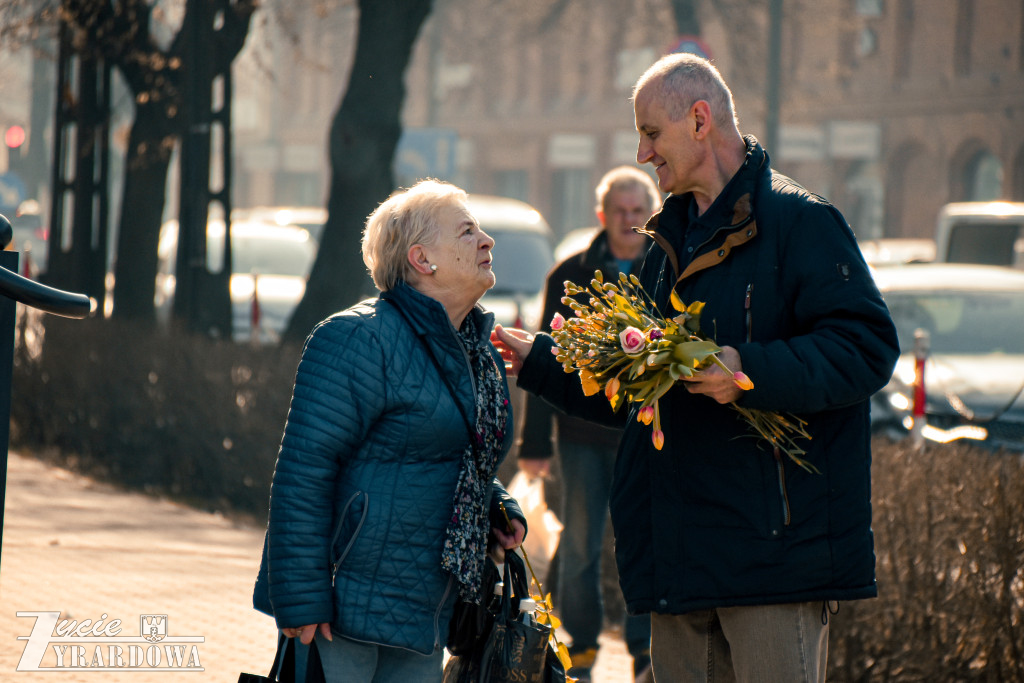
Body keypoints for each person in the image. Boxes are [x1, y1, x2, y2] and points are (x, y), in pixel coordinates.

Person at [493, 53, 899, 683]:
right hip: (680, 561)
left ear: (701, 119)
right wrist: (542, 362)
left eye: (651, 132)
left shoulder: (802, 223)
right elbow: (639, 393)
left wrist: (747, 370)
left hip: (772, 564)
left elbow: (866, 348)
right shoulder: (665, 245)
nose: (642, 152)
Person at [252, 179, 527, 682]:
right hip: (342, 609)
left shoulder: (479, 352)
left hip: (428, 607)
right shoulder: (356, 338)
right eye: (467, 232)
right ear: (423, 259)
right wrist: (300, 596)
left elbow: (458, 459)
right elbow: (303, 470)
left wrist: (496, 505)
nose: (487, 241)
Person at [517, 165, 661, 682]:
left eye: (638, 211)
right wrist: (534, 443)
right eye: (619, 211)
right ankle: (578, 645)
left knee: (642, 542)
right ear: (602, 214)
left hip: (645, 435)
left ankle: (646, 649)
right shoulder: (569, 274)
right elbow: (545, 360)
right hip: (579, 437)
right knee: (579, 544)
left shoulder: (668, 269)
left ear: (652, 214)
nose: (628, 220)